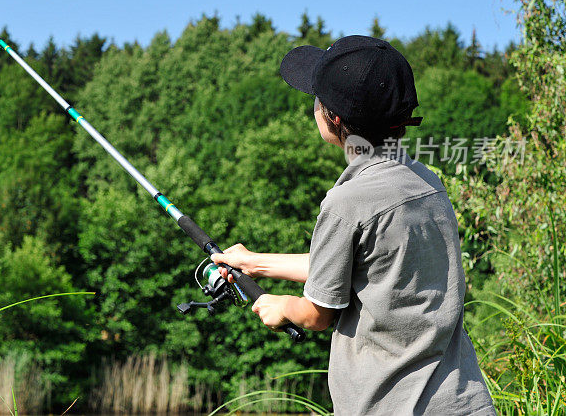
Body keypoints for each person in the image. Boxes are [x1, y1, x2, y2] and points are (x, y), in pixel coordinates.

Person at [212, 35, 495, 415]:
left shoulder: (347, 203)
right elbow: (359, 268)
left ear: (336, 120)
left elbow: (316, 314)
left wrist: (280, 306)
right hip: (463, 402)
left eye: (318, 99)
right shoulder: (424, 181)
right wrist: (254, 262)